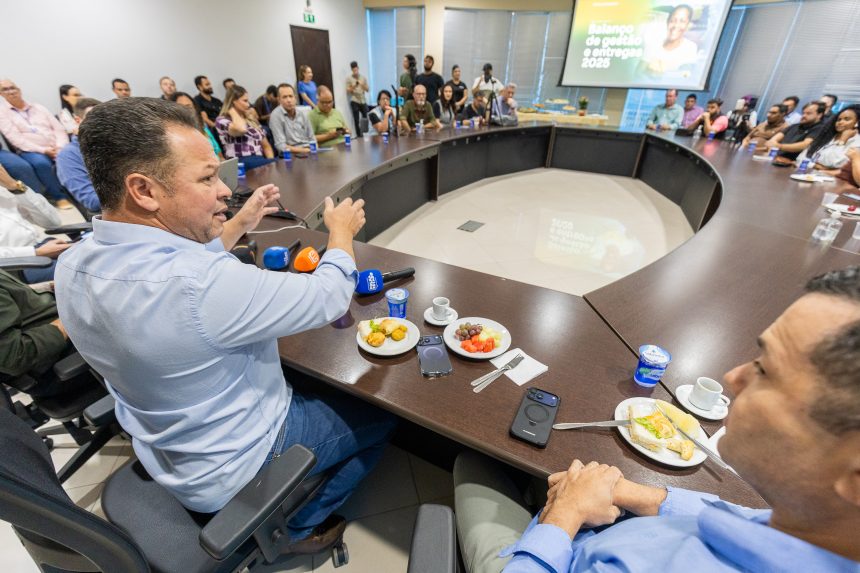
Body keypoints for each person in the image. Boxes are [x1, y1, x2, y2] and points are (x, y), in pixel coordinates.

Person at [56, 97, 396, 551]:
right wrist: (340, 233)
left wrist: (237, 223)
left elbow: (175, 274)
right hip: (238, 461)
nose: (223, 189)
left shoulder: (73, 263)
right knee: (383, 416)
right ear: (144, 190)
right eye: (207, 177)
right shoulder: (202, 285)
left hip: (165, 449)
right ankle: (296, 530)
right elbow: (327, 295)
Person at [454, 265, 860, 572]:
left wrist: (564, 517)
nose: (733, 378)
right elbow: (740, 519)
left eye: (766, 370)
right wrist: (641, 495)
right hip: (609, 524)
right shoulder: (812, 528)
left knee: (471, 460)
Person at [0, 268, 75, 393]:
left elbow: (14, 293)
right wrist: (72, 315)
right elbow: (16, 357)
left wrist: (47, 286)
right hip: (53, 365)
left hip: (55, 319)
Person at [0, 79, 71, 208]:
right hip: (31, 149)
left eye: (12, 87)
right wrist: (44, 150)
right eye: (5, 89)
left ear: (19, 90)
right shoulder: (2, 113)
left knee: (71, 154)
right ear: (1, 94)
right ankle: (59, 197)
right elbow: (15, 139)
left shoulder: (38, 107)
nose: (11, 92)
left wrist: (61, 147)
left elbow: (58, 128)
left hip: (57, 145)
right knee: (41, 163)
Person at [0, 163, 69, 283]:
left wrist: (15, 187)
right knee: (88, 269)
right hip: (13, 269)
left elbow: (52, 222)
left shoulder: (5, 188)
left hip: (40, 248)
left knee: (98, 255)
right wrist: (37, 252)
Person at [56, 98, 103, 212]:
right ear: (78, 120)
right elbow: (92, 201)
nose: (101, 124)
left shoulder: (118, 144)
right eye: (94, 119)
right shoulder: (68, 156)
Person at [215, 86, 275, 168]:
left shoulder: (251, 120)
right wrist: (231, 110)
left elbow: (266, 146)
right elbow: (241, 129)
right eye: (245, 101)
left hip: (259, 161)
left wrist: (272, 165)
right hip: (240, 163)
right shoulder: (221, 120)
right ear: (234, 101)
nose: (248, 104)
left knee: (281, 164)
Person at [796, 104, 860, 172]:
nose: (840, 122)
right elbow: (800, 159)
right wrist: (816, 166)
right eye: (839, 120)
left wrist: (842, 141)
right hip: (808, 174)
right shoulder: (827, 137)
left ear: (857, 122)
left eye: (846, 119)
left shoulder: (857, 142)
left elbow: (837, 164)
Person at [642, 4, 698, 75]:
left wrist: (660, 74)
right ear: (667, 22)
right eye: (672, 20)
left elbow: (685, 76)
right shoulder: (653, 45)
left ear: (688, 25)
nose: (676, 25)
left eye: (682, 21)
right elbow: (638, 74)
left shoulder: (690, 47)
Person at [169, 92, 224, 160]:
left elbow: (218, 153)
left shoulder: (203, 128)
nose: (187, 110)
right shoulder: (175, 138)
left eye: (189, 106)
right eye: (182, 108)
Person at [269, 83, 316, 155]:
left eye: (291, 96)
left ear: (295, 98)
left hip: (309, 150)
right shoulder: (275, 116)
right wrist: (304, 150)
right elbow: (281, 146)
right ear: (279, 100)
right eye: (284, 97)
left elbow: (312, 138)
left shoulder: (302, 114)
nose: (289, 100)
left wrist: (314, 150)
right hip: (291, 154)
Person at [346, 62, 369, 137]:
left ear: (358, 68)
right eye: (353, 70)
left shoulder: (363, 78)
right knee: (356, 119)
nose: (355, 71)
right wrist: (355, 85)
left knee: (365, 117)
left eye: (356, 69)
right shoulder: (349, 78)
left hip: (363, 100)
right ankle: (359, 136)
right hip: (354, 100)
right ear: (351, 70)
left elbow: (367, 89)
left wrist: (361, 84)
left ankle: (366, 133)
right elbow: (348, 90)